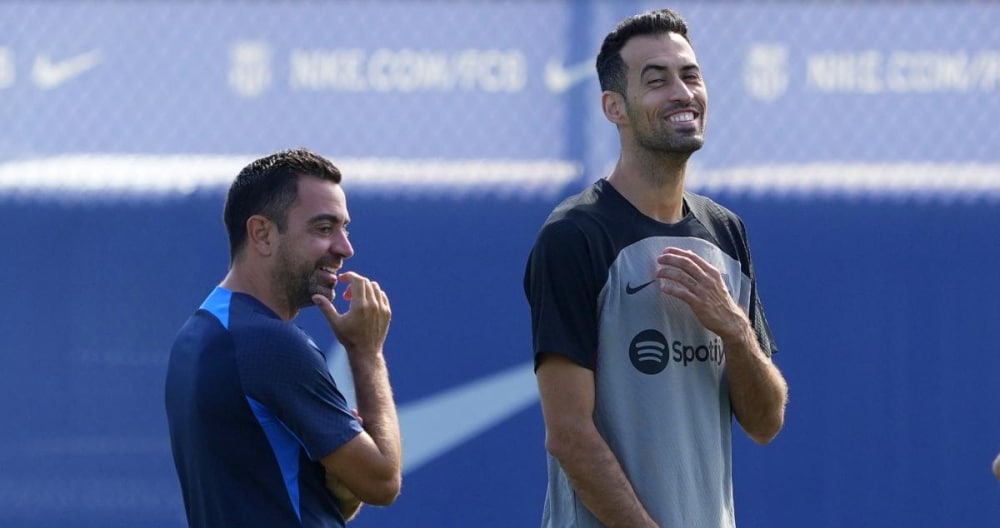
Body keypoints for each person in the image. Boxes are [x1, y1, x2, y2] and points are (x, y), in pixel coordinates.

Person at [523, 9, 788, 528]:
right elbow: (569, 435)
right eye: (656, 79)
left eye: (690, 75)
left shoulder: (726, 233)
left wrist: (735, 329)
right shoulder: (573, 237)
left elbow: (765, 422)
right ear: (614, 107)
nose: (682, 92)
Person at [165, 148, 402, 527]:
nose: (345, 248)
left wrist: (341, 486)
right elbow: (382, 481)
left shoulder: (199, 333)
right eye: (324, 228)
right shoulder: (268, 343)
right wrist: (366, 353)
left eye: (345, 228)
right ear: (262, 234)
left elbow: (293, 498)